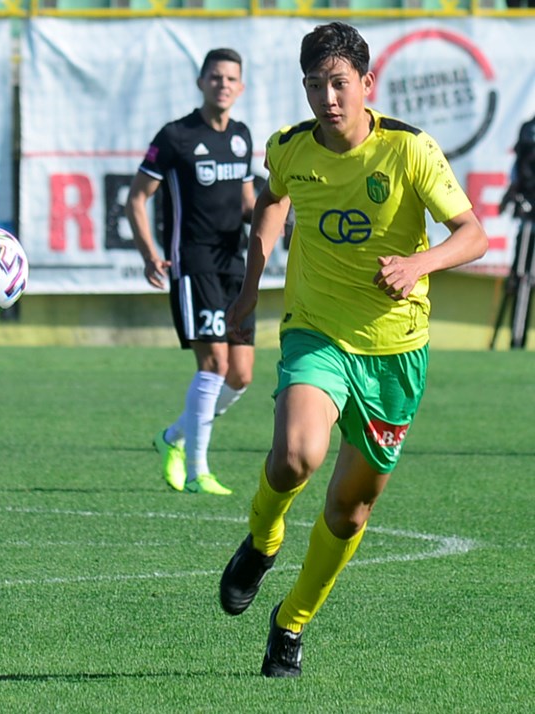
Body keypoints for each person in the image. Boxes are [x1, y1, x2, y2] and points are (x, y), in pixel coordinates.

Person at [217, 21, 488, 678]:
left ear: (367, 83)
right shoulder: (290, 148)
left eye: (339, 84)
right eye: (315, 85)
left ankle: (291, 622)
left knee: (350, 509)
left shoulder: (409, 150)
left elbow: (472, 234)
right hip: (317, 331)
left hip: (396, 350)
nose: (327, 98)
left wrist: (419, 263)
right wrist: (251, 286)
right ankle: (263, 540)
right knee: (296, 456)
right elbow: (272, 202)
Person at [126, 48, 256, 496]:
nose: (223, 85)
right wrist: (150, 253)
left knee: (241, 375)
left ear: (241, 87)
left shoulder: (241, 136)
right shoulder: (176, 136)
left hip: (234, 265)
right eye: (215, 77)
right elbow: (137, 197)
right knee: (214, 364)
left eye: (231, 78)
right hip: (193, 263)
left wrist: (281, 217)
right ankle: (199, 473)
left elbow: (247, 203)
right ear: (201, 83)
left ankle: (173, 438)